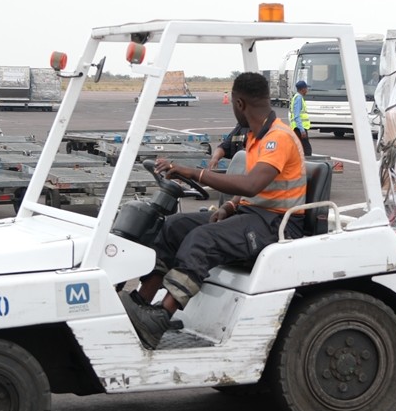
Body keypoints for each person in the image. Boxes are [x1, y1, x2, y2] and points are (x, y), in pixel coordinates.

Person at [121, 72, 306, 349]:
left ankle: (160, 318)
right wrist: (230, 205)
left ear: (239, 104)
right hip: (254, 215)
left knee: (203, 238)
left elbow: (252, 185)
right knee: (173, 227)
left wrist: (195, 173)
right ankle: (142, 303)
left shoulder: (278, 138)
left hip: (279, 224)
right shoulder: (256, 136)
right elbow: (259, 188)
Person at [290, 80, 313, 156]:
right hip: (299, 128)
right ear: (303, 89)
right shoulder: (298, 98)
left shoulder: (296, 97)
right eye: (306, 88)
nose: (307, 90)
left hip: (297, 127)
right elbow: (297, 115)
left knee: (299, 148)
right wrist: (302, 130)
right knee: (307, 149)